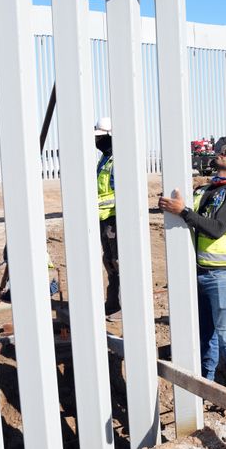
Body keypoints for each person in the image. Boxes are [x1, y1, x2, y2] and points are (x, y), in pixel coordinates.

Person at [158, 143, 226, 395]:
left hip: (222, 275)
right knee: (206, 336)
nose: (221, 153)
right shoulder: (208, 189)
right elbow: (184, 210)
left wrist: (183, 212)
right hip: (200, 272)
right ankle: (206, 387)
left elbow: (215, 227)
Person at [95, 117, 122, 322]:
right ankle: (112, 303)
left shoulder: (119, 159)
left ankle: (122, 306)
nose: (98, 141)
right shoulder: (105, 157)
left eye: (101, 137)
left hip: (114, 218)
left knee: (118, 261)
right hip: (104, 218)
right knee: (109, 261)